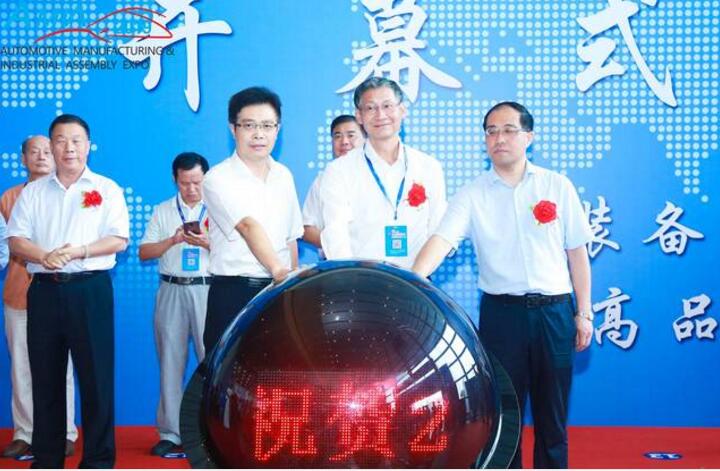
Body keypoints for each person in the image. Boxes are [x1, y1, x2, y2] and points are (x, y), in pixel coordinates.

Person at [412, 102, 593, 468]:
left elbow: (577, 253)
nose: (499, 138)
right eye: (491, 131)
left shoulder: (556, 185)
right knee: (505, 417)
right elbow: (442, 241)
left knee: (553, 415)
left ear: (529, 137)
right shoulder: (472, 194)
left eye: (509, 130)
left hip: (555, 313)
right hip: (502, 317)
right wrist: (413, 280)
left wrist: (584, 313)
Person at [7, 114, 129, 468]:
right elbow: (16, 239)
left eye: (76, 140)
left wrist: (79, 251)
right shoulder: (33, 192)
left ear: (88, 145)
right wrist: (44, 256)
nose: (69, 148)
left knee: (96, 380)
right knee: (45, 378)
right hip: (44, 291)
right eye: (60, 140)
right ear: (51, 146)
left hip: (90, 290)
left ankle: (98, 461)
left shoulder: (107, 188)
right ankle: (46, 459)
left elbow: (118, 239)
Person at [202, 86, 303, 353]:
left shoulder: (284, 175)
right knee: (228, 369)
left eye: (267, 125)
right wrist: (279, 271)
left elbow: (291, 238)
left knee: (279, 367)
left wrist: (292, 284)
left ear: (277, 129)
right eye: (249, 125)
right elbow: (248, 226)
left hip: (278, 290)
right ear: (233, 129)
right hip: (234, 292)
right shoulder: (217, 178)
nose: (259, 134)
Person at [0, 136, 78, 459]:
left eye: (47, 150)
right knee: (21, 366)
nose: (42, 156)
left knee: (63, 367)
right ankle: (25, 433)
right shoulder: (9, 198)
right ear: (23, 159)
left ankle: (65, 432)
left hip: (61, 294)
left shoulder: (70, 194)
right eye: (34, 152)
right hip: (20, 296)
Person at [319, 77, 447, 269]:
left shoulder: (428, 167)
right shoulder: (339, 170)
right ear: (359, 116)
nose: (380, 115)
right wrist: (352, 278)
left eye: (387, 106)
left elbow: (439, 230)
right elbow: (335, 234)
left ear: (402, 110)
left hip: (417, 278)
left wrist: (417, 276)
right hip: (361, 280)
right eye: (371, 108)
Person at [139, 152, 211, 457]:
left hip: (208, 289)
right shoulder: (163, 210)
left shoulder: (219, 208)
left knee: (212, 362)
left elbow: (238, 251)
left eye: (197, 182)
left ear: (206, 178)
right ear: (175, 179)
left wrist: (207, 242)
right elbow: (144, 252)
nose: (191, 189)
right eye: (185, 183)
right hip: (171, 288)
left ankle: (211, 429)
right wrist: (173, 240)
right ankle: (170, 432)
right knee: (170, 361)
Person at [302, 115, 364, 251]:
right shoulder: (322, 180)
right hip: (335, 261)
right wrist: (334, 246)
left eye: (351, 135)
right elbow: (307, 227)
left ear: (366, 139)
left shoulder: (377, 176)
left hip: (376, 259)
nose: (344, 142)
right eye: (337, 136)